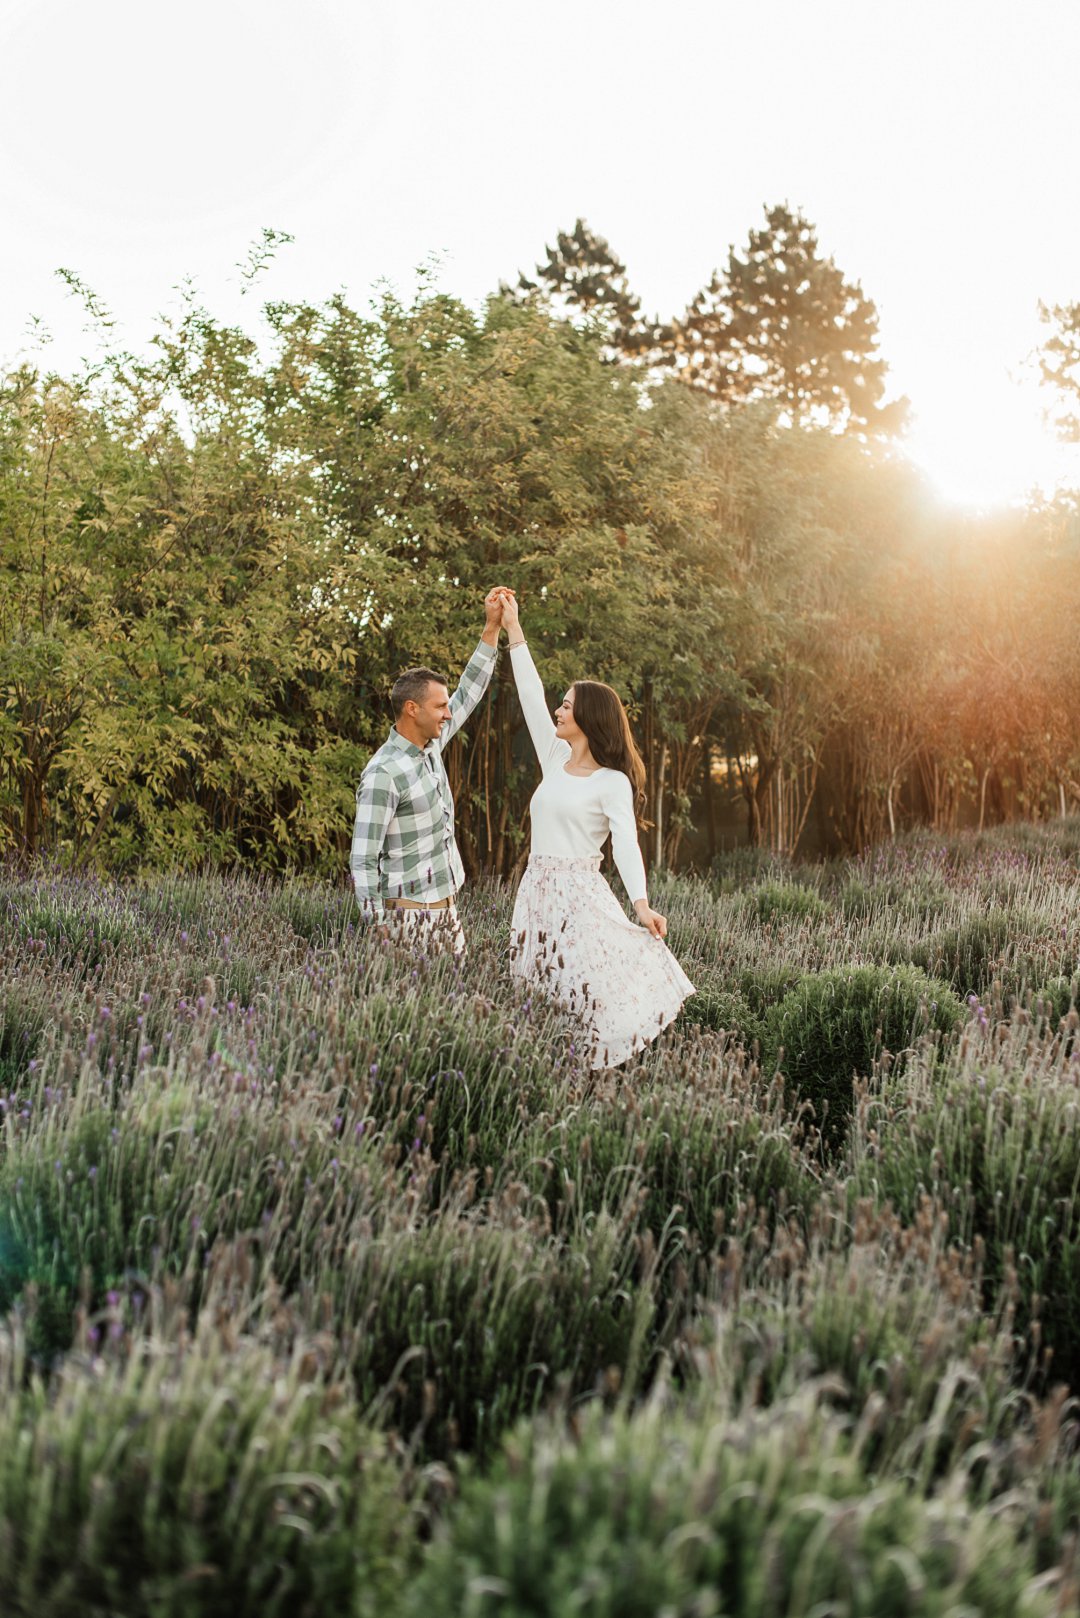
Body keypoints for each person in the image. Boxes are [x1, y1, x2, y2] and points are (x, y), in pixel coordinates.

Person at [498, 590, 694, 1067]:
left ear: (588, 717)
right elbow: (528, 693)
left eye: (566, 706)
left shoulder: (612, 782)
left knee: (589, 992)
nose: (559, 712)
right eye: (560, 705)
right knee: (537, 988)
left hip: (580, 895)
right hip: (536, 891)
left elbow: (626, 844)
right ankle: (547, 1072)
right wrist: (513, 629)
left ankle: (593, 1076)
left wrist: (642, 905)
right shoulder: (554, 757)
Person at [351, 588, 509, 952]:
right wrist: (377, 925)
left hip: (448, 916)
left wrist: (491, 628)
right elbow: (362, 857)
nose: (448, 712)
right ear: (412, 709)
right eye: (439, 706)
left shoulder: (432, 746)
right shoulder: (384, 772)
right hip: (405, 922)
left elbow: (468, 693)